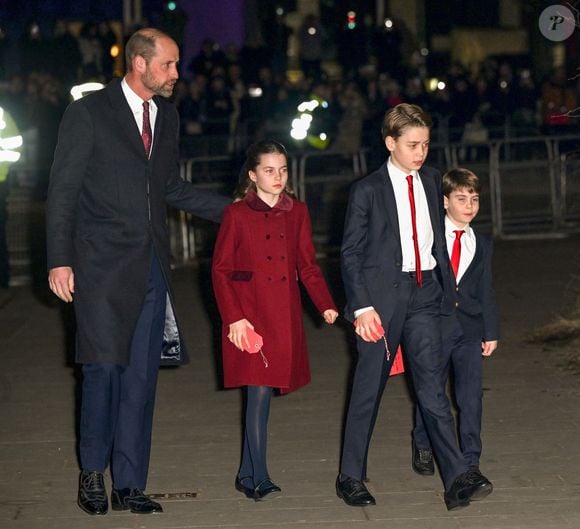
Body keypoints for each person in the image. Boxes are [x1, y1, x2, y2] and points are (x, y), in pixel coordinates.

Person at [46, 28, 229, 516]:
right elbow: (62, 191)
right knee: (103, 368)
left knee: (141, 379)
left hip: (150, 265)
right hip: (99, 265)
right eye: (168, 65)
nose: (175, 74)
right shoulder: (88, 113)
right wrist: (59, 259)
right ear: (140, 64)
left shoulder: (165, 116)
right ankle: (92, 472)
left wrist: (238, 209)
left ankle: (129, 482)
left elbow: (170, 186)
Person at [335, 103, 493, 511]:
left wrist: (447, 292)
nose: (421, 152)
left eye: (425, 144)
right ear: (390, 144)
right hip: (381, 301)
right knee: (369, 388)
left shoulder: (431, 179)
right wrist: (361, 306)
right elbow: (349, 253)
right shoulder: (367, 190)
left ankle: (457, 476)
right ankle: (350, 475)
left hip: (426, 296)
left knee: (431, 389)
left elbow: (439, 240)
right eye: (412, 145)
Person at [211, 140, 338, 501]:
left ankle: (246, 473)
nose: (278, 176)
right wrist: (234, 318)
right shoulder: (236, 214)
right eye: (269, 170)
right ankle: (260, 476)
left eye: (282, 170)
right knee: (259, 393)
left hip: (282, 314)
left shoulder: (297, 211)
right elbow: (220, 271)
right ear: (252, 175)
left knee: (263, 391)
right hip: (248, 318)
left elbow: (307, 265)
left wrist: (325, 304)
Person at [411, 168, 499, 479]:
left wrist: (491, 331)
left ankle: (471, 458)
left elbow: (486, 288)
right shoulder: (431, 238)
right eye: (461, 199)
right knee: (432, 389)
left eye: (474, 199)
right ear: (445, 202)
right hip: (436, 327)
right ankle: (423, 442)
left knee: (470, 395)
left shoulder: (483, 243)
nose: (469, 206)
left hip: (470, 329)